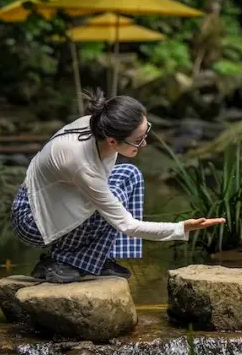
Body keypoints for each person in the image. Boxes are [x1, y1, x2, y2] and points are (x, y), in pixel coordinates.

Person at [11, 89, 224, 284]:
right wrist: (181, 228)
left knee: (130, 175)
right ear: (113, 141)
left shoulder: (101, 125)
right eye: (138, 140)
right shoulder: (82, 163)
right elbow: (126, 225)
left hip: (55, 199)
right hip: (32, 219)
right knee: (114, 197)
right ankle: (62, 262)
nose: (144, 144)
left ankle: (95, 258)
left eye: (146, 133)